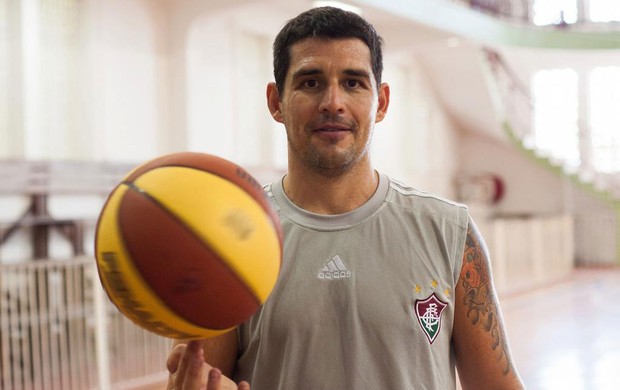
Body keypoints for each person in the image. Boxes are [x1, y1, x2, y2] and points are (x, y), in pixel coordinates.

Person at [167, 6, 525, 390]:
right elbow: (198, 378)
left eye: (353, 83)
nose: (333, 102)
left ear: (382, 102)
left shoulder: (449, 232)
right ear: (276, 102)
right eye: (310, 82)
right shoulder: (230, 241)